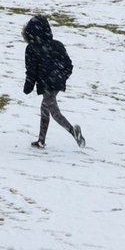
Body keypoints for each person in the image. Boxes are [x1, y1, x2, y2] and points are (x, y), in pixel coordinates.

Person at [22, 14, 85, 149]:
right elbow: (68, 65)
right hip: (56, 82)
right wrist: (61, 77)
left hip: (47, 83)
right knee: (45, 108)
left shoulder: (32, 48)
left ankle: (73, 132)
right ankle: (41, 140)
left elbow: (31, 70)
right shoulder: (57, 45)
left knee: (53, 111)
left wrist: (28, 86)